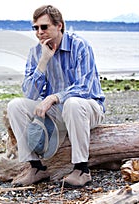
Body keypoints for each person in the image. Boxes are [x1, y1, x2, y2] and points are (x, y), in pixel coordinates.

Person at [7, 4, 105, 188]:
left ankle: (82, 170)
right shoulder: (36, 52)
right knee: (15, 105)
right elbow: (29, 93)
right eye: (35, 28)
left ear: (59, 25)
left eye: (44, 27)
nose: (39, 32)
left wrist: (54, 97)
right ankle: (36, 167)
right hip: (56, 114)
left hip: (88, 108)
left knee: (73, 103)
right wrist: (43, 61)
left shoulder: (80, 46)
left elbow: (84, 87)